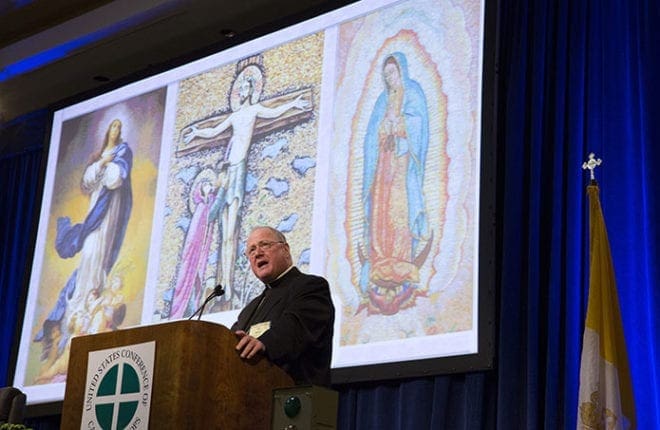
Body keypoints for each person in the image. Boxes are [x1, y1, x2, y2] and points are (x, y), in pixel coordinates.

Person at [182, 65, 309, 301]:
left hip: (238, 172)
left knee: (231, 233)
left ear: (252, 90)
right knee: (224, 235)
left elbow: (276, 112)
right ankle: (225, 285)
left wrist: (295, 104)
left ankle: (229, 287)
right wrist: (196, 133)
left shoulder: (253, 111)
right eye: (239, 88)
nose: (242, 91)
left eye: (245, 87)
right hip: (227, 174)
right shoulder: (234, 116)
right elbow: (213, 131)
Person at [358, 52, 430, 315]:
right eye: (386, 75)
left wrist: (399, 124)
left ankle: (400, 260)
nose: (390, 78)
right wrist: (382, 129)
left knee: (399, 212)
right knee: (381, 214)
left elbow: (419, 124)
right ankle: (379, 259)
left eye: (393, 73)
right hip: (383, 167)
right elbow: (370, 136)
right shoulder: (382, 100)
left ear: (402, 71)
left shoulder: (412, 93)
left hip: (402, 164)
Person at [231, 226, 334, 386]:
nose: (257, 253)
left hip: (294, 395)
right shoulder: (249, 310)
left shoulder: (310, 286)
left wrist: (265, 343)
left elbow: (296, 326)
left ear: (285, 249)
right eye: (251, 250)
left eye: (264, 245)